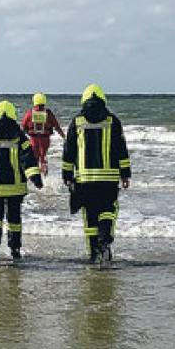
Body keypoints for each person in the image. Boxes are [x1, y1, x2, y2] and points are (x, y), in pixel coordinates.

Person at [61, 84, 131, 266]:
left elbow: (68, 150)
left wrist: (67, 175)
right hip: (108, 179)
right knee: (109, 210)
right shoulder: (112, 121)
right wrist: (125, 174)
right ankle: (105, 239)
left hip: (85, 180)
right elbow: (121, 149)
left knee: (90, 217)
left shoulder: (76, 122)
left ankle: (94, 255)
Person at [0, 100, 43, 264]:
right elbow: (28, 159)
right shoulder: (20, 137)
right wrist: (36, 178)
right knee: (14, 219)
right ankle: (15, 250)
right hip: (15, 187)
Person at [20, 92, 65, 177]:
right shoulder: (48, 113)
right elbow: (56, 126)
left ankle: (36, 178)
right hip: (45, 140)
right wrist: (64, 136)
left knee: (35, 158)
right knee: (43, 157)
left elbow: (23, 127)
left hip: (34, 139)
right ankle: (45, 177)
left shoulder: (29, 113)